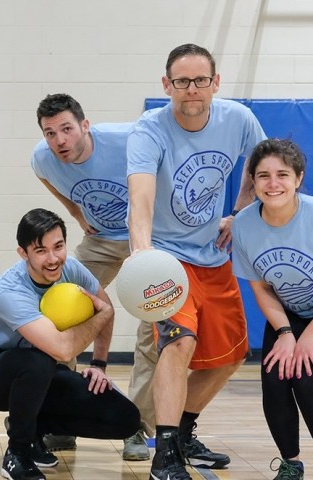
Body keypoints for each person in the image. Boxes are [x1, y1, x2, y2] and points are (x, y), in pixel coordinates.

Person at [127, 43, 266, 480]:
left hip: (212, 257)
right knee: (179, 343)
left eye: (200, 80)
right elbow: (142, 194)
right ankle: (164, 454)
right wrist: (143, 250)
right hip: (166, 259)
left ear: (216, 83)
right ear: (167, 85)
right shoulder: (149, 129)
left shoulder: (238, 119)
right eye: (182, 82)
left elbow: (265, 163)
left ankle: (183, 431)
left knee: (231, 355)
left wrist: (240, 212)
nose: (192, 90)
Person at [0, 208, 140, 480]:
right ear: (23, 253)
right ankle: (18, 453)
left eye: (58, 246)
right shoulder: (10, 291)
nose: (52, 259)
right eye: (40, 251)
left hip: (45, 371)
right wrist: (103, 314)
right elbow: (63, 348)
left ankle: (31, 426)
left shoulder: (71, 268)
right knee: (40, 360)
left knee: (125, 418)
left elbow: (105, 307)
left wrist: (98, 364)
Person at [32, 93, 154, 460]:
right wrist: (76, 212)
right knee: (55, 313)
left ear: (86, 125)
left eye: (67, 129)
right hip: (100, 241)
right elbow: (46, 177)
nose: (60, 141)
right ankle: (63, 421)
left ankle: (137, 426)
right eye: (50, 133)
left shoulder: (129, 138)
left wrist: (146, 240)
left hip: (147, 240)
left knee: (155, 330)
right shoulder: (42, 157)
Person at [232, 139, 311, 480]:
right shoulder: (244, 225)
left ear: (298, 178)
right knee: (276, 377)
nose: (273, 183)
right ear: (253, 180)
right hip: (288, 314)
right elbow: (261, 287)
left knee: (307, 379)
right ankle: (291, 463)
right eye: (263, 175)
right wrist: (286, 333)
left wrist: (308, 338)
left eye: (282, 174)